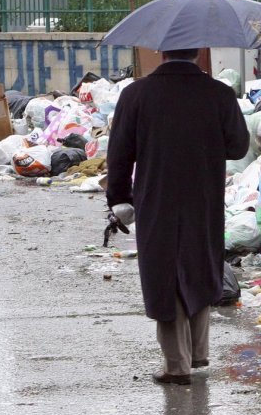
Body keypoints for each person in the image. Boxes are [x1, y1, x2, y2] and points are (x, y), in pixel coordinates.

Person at [106, 48, 249, 385]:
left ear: (162, 51)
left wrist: (119, 199)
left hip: (156, 198)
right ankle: (197, 352)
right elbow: (238, 148)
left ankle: (176, 365)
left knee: (164, 272)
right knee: (199, 264)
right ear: (199, 52)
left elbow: (119, 155)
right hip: (204, 197)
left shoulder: (136, 94)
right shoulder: (219, 94)